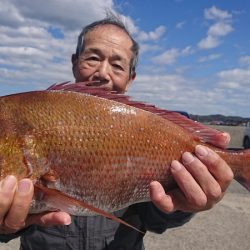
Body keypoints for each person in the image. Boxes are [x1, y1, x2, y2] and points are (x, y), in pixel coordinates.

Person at [0, 15, 233, 249]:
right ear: (74, 62)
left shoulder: (141, 129)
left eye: (117, 65)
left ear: (131, 78)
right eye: (92, 58)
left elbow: (155, 219)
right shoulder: (35, 112)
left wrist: (184, 204)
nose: (102, 72)